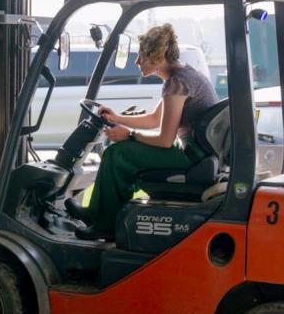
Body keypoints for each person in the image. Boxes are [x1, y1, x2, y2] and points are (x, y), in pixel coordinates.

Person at [65, 23, 219, 240]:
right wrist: (116, 118)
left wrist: (128, 134)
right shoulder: (183, 77)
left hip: (190, 158)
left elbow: (165, 140)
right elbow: (155, 119)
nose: (137, 62)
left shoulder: (177, 83)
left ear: (157, 58)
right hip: (195, 153)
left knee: (117, 154)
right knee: (119, 152)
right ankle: (95, 214)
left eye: (142, 57)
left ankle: (106, 226)